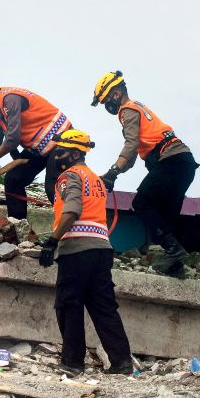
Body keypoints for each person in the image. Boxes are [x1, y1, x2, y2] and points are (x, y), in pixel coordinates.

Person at [39, 129, 133, 377]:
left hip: (77, 249)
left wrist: (52, 241)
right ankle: (122, 362)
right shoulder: (97, 180)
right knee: (104, 307)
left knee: (68, 305)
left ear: (74, 153)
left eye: (60, 151)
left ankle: (72, 362)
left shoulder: (69, 177)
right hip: (102, 249)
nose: (57, 156)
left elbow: (71, 211)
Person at [92, 71, 200, 276]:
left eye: (105, 100)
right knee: (165, 214)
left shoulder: (126, 111)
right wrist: (112, 173)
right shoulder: (138, 107)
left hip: (171, 161)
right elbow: (131, 159)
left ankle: (174, 250)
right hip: (183, 162)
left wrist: (112, 172)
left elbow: (131, 145)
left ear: (115, 94)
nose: (108, 106)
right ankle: (176, 267)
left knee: (142, 202)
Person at [0, 64, 72, 218]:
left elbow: (12, 139)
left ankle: (70, 229)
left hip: (63, 141)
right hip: (39, 149)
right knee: (13, 179)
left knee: (51, 187)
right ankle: (18, 227)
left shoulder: (9, 98)